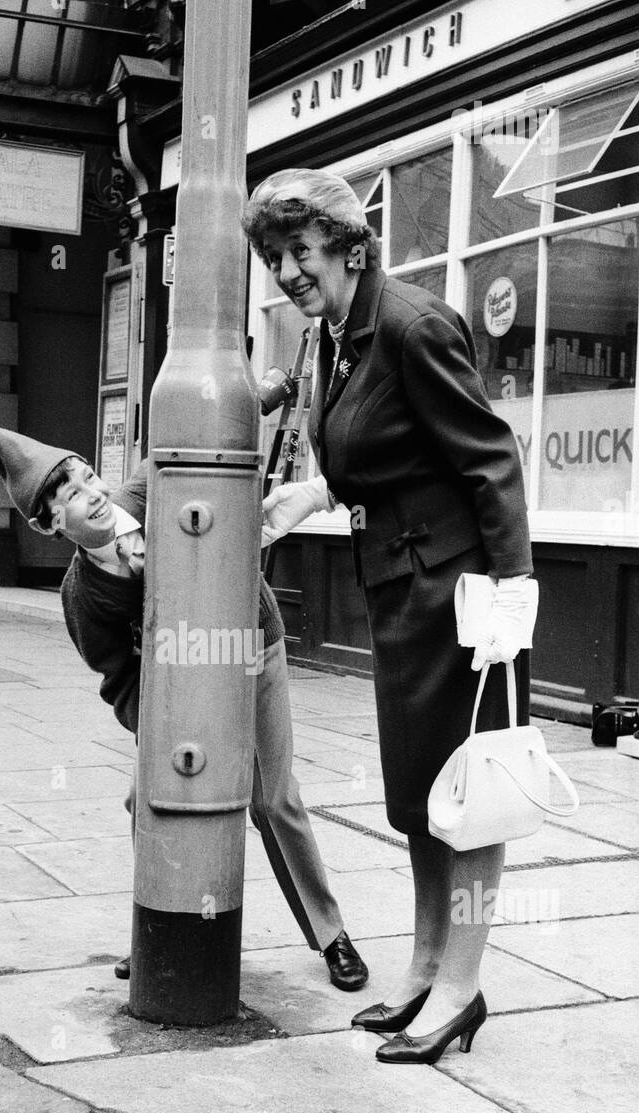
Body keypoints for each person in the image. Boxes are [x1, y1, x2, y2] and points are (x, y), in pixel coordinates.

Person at [0, 407, 368, 993]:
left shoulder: (152, 486)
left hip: (250, 649)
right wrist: (163, 723)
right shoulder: (82, 595)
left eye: (86, 477)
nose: (91, 494)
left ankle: (331, 935)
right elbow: (118, 679)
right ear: (52, 527)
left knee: (271, 799)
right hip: (174, 690)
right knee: (145, 797)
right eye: (70, 497)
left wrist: (260, 398)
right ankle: (158, 928)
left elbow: (204, 436)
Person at [243, 169, 538, 1064]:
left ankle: (460, 988)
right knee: (417, 799)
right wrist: (313, 494)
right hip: (400, 590)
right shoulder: (336, 336)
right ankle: (420, 971)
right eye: (274, 258)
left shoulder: (412, 324)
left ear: (347, 246)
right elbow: (384, 450)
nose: (286, 273)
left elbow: (489, 457)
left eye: (298, 252)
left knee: (473, 799)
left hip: (461, 597)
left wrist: (511, 595)